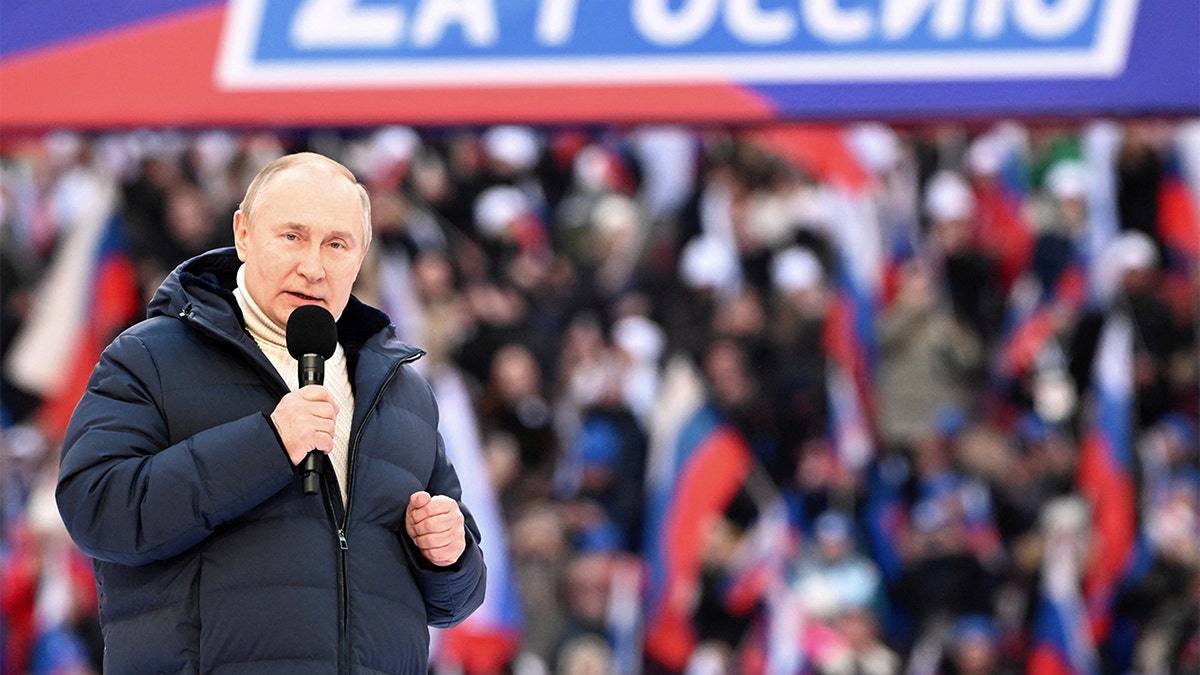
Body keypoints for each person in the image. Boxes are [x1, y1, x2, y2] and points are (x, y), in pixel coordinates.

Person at [54, 152, 487, 673]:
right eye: (292, 236)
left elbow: (454, 601)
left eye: (336, 244)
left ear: (361, 255)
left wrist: (449, 554)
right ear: (243, 233)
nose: (312, 265)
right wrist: (267, 445)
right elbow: (96, 510)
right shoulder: (149, 356)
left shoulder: (403, 392)